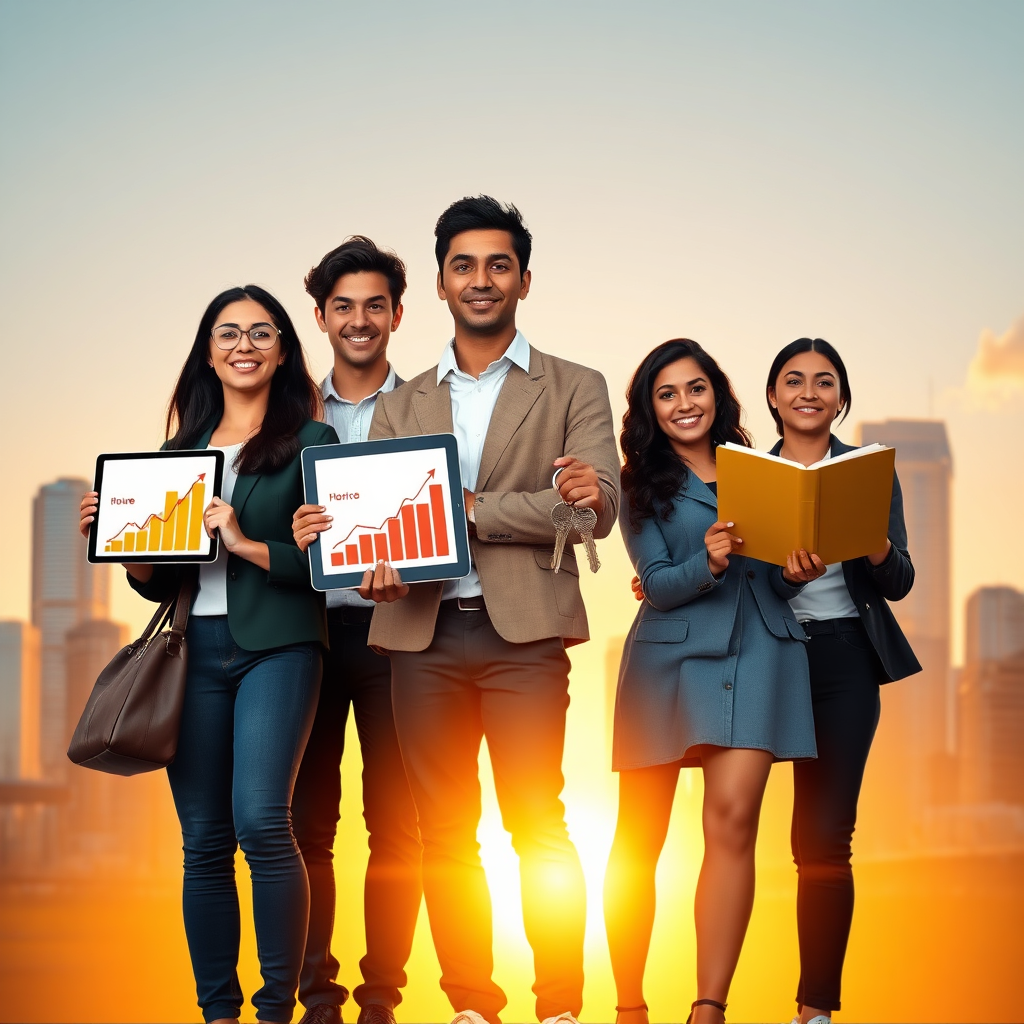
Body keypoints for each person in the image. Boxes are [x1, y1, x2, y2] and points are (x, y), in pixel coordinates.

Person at [359, 195, 621, 1024]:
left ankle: (560, 1007)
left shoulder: (576, 386)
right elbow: (379, 525)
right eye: (464, 265)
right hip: (420, 634)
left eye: (498, 264)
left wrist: (472, 510)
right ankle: (471, 1003)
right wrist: (377, 566)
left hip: (526, 636)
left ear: (525, 279)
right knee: (444, 831)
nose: (481, 280)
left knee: (538, 821)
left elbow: (590, 510)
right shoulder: (399, 405)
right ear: (440, 283)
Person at [80, 285, 338, 1024]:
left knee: (262, 820)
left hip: (279, 646)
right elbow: (157, 579)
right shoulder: (175, 455)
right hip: (195, 653)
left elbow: (327, 564)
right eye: (228, 333)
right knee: (203, 841)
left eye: (261, 333)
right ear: (207, 352)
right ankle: (217, 1013)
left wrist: (245, 541)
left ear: (284, 348)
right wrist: (122, 547)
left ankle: (273, 1012)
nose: (244, 345)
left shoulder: (311, 443)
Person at [605, 339, 821, 1024]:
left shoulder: (765, 469)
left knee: (732, 825)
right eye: (665, 395)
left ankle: (709, 1008)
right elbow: (657, 585)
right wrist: (709, 559)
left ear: (717, 394)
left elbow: (775, 586)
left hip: (759, 654)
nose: (683, 404)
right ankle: (630, 1004)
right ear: (649, 410)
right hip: (666, 664)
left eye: (694, 389)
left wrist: (794, 573)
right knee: (638, 838)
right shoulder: (638, 485)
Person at [764, 338, 920, 1024]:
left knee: (823, 836)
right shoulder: (742, 473)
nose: (808, 391)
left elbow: (900, 581)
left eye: (824, 382)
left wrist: (876, 542)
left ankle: (815, 1008)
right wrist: (780, 572)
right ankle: (712, 1000)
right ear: (772, 396)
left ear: (841, 398)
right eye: (793, 380)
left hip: (845, 661)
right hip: (767, 658)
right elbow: (734, 576)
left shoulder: (868, 471)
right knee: (731, 823)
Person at [289, 237, 423, 1024]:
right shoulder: (290, 411)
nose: (360, 320)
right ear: (321, 317)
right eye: (345, 306)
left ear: (397, 315)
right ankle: (317, 996)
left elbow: (449, 517)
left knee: (395, 826)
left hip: (397, 634)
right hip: (304, 639)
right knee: (307, 824)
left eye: (376, 305)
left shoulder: (430, 407)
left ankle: (381, 1000)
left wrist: (411, 557)